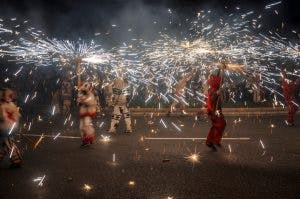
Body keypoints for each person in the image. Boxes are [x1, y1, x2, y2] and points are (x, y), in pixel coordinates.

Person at [206, 64, 227, 151]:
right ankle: (213, 141)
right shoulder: (213, 90)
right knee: (219, 125)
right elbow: (211, 101)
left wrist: (222, 68)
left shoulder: (215, 88)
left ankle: (212, 141)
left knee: (219, 125)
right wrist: (216, 94)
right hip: (213, 111)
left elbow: (219, 75)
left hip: (217, 111)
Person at [0, 88, 22, 168]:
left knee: (9, 144)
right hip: (13, 127)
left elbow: (2, 118)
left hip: (5, 128)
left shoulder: (2, 106)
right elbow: (18, 116)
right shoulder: (13, 105)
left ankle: (17, 161)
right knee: (5, 144)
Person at [77, 82, 97, 147]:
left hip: (88, 113)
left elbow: (90, 103)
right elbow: (79, 102)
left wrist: (83, 100)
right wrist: (80, 100)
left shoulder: (91, 95)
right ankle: (85, 141)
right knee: (81, 127)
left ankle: (90, 139)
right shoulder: (81, 94)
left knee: (86, 125)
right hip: (83, 112)